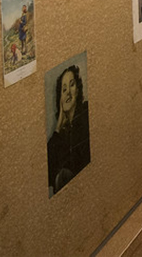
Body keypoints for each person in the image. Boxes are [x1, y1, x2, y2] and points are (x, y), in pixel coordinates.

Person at [47, 65, 91, 195]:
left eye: (71, 85)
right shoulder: (60, 136)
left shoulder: (86, 114)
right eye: (63, 89)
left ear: (77, 90)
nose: (68, 93)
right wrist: (58, 126)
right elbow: (48, 173)